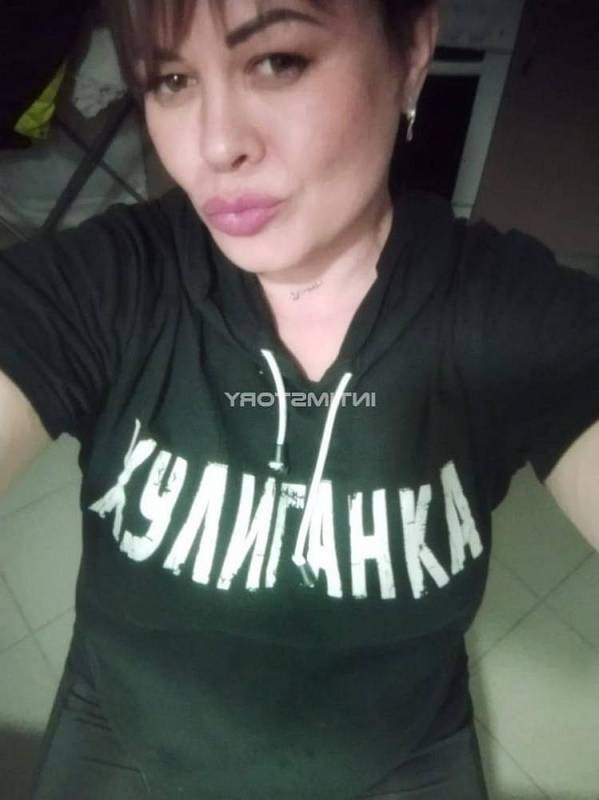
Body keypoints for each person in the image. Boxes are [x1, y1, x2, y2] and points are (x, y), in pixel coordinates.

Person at [0, 1, 598, 798]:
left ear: (411, 51)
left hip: (399, 749)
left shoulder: (503, 307)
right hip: (125, 725)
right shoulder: (109, 283)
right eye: (171, 80)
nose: (215, 144)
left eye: (277, 62)